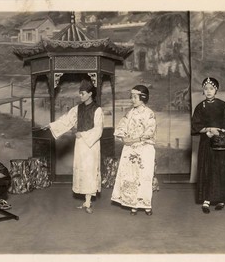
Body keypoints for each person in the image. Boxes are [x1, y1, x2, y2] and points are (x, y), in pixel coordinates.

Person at [44, 79, 103, 214]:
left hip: (91, 145)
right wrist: (50, 125)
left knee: (90, 170)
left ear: (90, 94)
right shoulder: (78, 108)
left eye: (82, 93)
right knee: (81, 169)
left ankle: (88, 202)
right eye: (80, 93)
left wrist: (82, 134)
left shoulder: (97, 110)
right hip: (81, 145)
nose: (80, 96)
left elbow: (98, 130)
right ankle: (85, 201)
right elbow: (66, 120)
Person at [191, 77, 225, 214]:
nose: (208, 91)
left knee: (221, 169)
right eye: (206, 89)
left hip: (221, 142)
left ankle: (221, 199)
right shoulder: (200, 107)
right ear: (203, 90)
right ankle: (207, 199)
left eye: (211, 88)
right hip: (206, 143)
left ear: (216, 90)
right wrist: (208, 130)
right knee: (207, 168)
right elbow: (195, 127)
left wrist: (218, 131)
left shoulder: (223, 105)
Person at [111, 85, 157, 216]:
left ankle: (146, 204)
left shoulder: (149, 113)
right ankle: (133, 204)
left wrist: (136, 139)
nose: (133, 100)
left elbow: (150, 131)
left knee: (144, 176)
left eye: (135, 97)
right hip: (130, 148)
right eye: (132, 97)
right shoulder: (130, 113)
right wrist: (124, 138)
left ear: (143, 98)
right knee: (131, 176)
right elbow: (121, 127)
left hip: (144, 148)